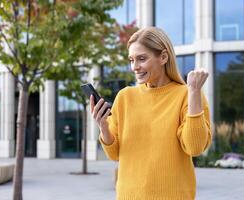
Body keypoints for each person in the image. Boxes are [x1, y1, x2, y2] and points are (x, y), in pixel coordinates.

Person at [90, 26, 212, 200]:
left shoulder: (188, 94)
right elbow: (114, 154)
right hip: (128, 195)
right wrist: (103, 125)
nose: (134, 67)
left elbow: (195, 147)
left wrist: (193, 91)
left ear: (163, 57)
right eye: (131, 60)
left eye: (141, 59)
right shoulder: (125, 97)